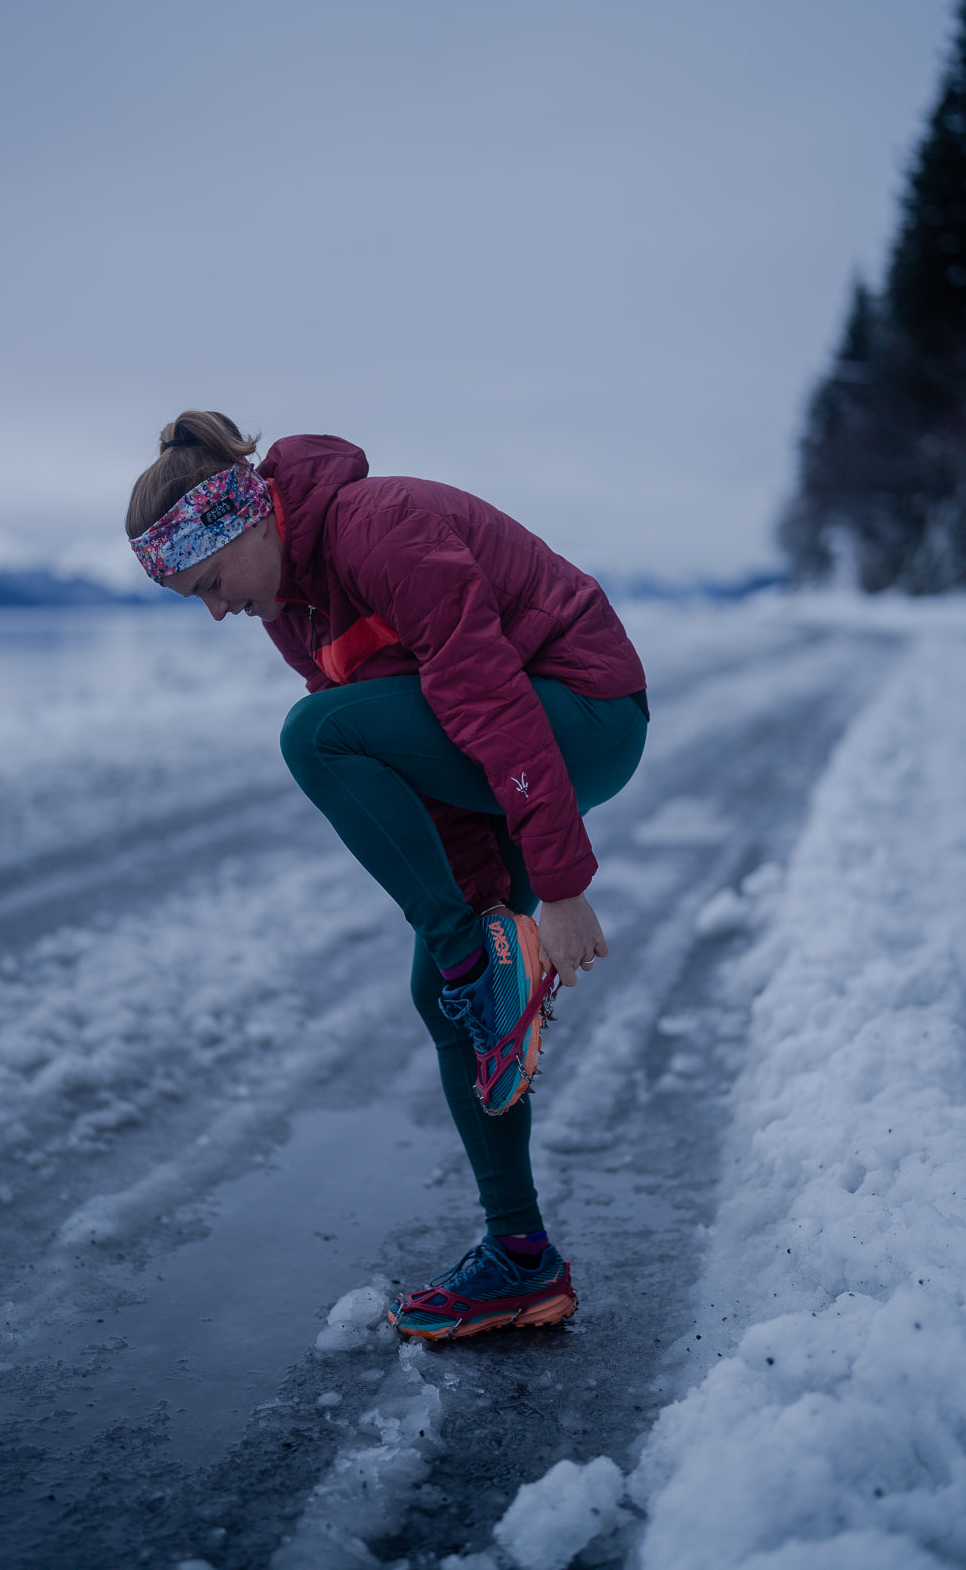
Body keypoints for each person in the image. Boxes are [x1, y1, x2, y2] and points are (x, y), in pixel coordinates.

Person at [126, 410, 648, 1341]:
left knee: (316, 734)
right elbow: (417, 760)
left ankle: (476, 966)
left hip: (584, 712)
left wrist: (561, 887)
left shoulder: (379, 526)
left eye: (207, 584)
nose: (214, 611)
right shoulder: (295, 609)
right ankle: (521, 1260)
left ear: (246, 521)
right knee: (447, 994)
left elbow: (484, 698)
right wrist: (485, 911)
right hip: (504, 746)